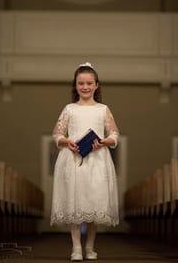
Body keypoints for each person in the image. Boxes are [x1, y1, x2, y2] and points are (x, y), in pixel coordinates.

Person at [50, 62, 119, 261]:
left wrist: (105, 141)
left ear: (97, 85)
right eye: (81, 83)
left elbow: (114, 133)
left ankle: (90, 246)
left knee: (94, 201)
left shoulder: (103, 109)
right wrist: (66, 141)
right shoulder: (69, 109)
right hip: (73, 159)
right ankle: (76, 248)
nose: (85, 87)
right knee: (75, 203)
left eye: (89, 83)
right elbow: (57, 133)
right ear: (76, 85)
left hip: (97, 160)